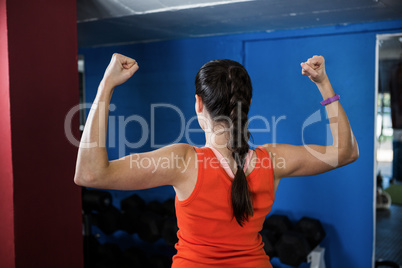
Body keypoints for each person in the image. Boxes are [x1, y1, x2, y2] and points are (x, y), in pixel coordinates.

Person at [74, 53, 359, 267]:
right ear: (247, 105)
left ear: (199, 103)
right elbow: (346, 152)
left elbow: (90, 174)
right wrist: (323, 85)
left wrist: (106, 86)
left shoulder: (183, 161)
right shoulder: (272, 160)